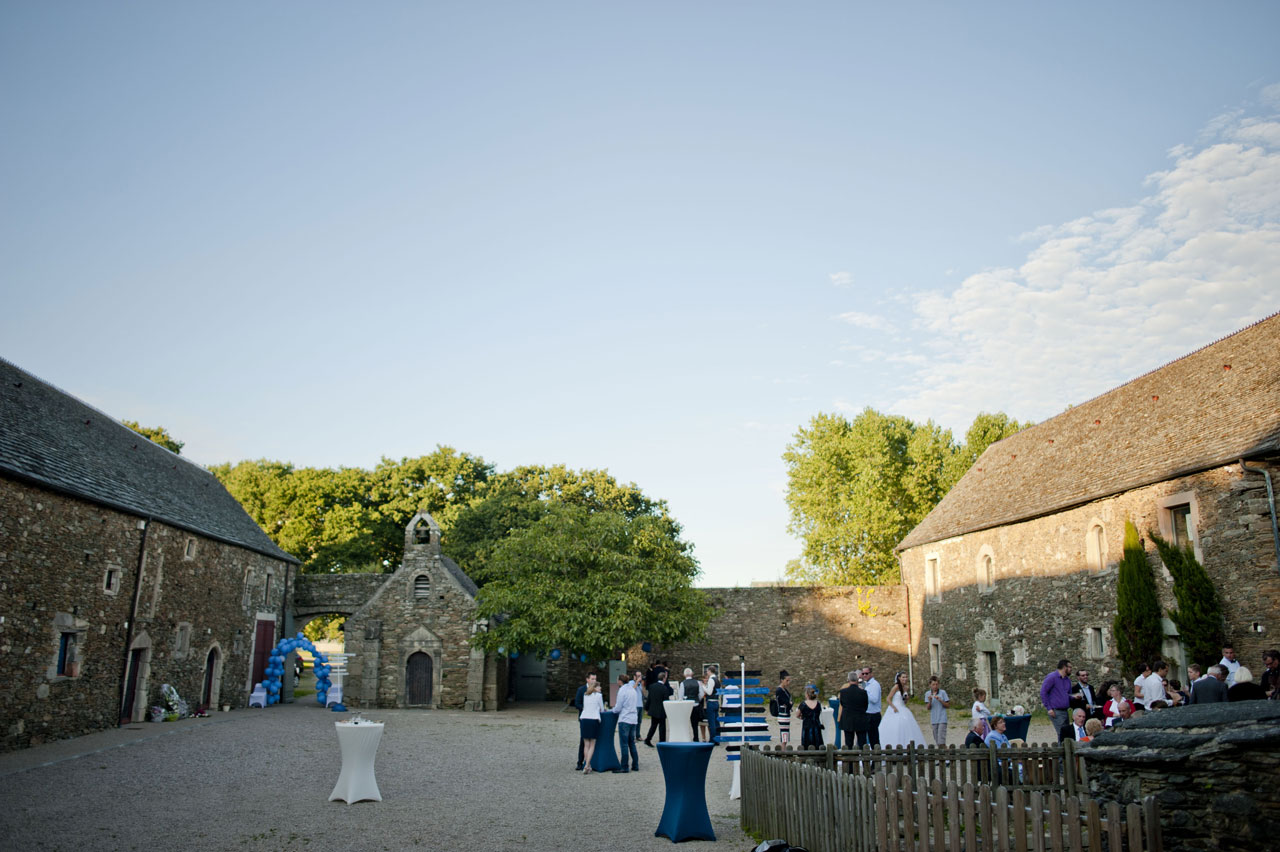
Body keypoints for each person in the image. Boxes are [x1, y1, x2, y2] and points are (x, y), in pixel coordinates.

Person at [879, 671, 927, 747]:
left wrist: (906, 699)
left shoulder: (906, 687)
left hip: (903, 708)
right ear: (899, 678)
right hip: (895, 708)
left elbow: (904, 702)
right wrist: (894, 707)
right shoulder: (896, 687)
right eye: (903, 677)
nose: (905, 679)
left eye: (906, 677)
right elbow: (888, 698)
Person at [1040, 658, 1073, 743]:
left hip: (1065, 710)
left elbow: (1068, 694)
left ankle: (1065, 754)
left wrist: (1075, 697)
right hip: (1056, 711)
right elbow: (1043, 692)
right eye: (1069, 667)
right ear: (1064, 667)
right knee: (1062, 734)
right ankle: (1061, 755)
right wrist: (1049, 708)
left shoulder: (1067, 680)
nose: (1071, 670)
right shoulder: (1052, 677)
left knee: (1066, 734)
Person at [613, 673, 640, 773]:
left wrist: (613, 710)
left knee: (624, 744)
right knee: (631, 743)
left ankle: (624, 766)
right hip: (633, 719)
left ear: (620, 681)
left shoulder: (622, 690)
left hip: (625, 719)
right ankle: (635, 764)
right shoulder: (632, 690)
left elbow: (618, 706)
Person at [838, 670, 871, 748]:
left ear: (848, 680)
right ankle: (863, 759)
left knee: (848, 743)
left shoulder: (843, 692)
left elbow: (842, 704)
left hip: (848, 719)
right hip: (860, 719)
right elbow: (865, 706)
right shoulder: (863, 692)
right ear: (857, 680)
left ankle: (849, 759)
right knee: (862, 743)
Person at [573, 672, 597, 771]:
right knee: (584, 740)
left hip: (594, 718)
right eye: (592, 679)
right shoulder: (581, 690)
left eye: (595, 679)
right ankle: (580, 762)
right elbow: (577, 703)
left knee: (592, 741)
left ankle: (590, 762)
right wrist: (585, 708)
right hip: (585, 717)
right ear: (587, 679)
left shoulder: (597, 690)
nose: (594, 681)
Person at [579, 680, 604, 774]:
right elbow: (601, 708)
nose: (600, 688)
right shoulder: (599, 696)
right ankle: (587, 765)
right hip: (593, 719)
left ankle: (587, 764)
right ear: (595, 688)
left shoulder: (585, 695)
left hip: (584, 719)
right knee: (592, 744)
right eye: (599, 687)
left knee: (586, 744)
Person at [643, 669, 672, 746]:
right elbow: (666, 701)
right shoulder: (664, 688)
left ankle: (648, 739)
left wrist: (646, 708)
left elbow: (649, 698)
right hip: (661, 710)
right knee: (662, 727)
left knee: (653, 726)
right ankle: (662, 742)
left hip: (653, 710)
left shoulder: (652, 687)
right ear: (663, 679)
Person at [924, 675, 950, 746]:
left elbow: (948, 705)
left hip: (942, 718)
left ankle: (942, 753)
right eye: (933, 684)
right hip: (934, 719)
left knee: (941, 739)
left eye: (936, 684)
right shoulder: (927, 694)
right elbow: (928, 708)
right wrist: (930, 701)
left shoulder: (943, 692)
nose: (935, 686)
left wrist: (941, 700)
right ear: (930, 685)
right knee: (936, 739)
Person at [680, 667, 703, 741]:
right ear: (692, 674)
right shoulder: (698, 683)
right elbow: (701, 694)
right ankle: (696, 737)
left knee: (685, 722)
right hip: (695, 703)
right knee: (695, 723)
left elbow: (681, 696)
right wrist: (697, 699)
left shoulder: (683, 683)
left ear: (684, 675)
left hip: (686, 705)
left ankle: (685, 736)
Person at [861, 667, 882, 747]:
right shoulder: (867, 684)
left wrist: (864, 692)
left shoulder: (874, 684)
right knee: (869, 737)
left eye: (866, 673)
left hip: (873, 714)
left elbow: (874, 699)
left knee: (874, 738)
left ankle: (876, 756)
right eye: (863, 673)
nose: (864, 675)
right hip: (868, 713)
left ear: (871, 674)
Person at [774, 671, 794, 746]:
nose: (788, 682)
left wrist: (789, 704)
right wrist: (789, 704)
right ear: (782, 680)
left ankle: (784, 750)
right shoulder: (779, 690)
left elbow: (788, 702)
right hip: (783, 714)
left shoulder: (784, 690)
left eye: (789, 680)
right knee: (784, 734)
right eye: (787, 680)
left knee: (785, 734)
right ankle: (783, 751)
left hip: (786, 713)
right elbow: (785, 702)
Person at [697, 667, 716, 744]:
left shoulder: (709, 685)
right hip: (702, 705)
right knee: (702, 723)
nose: (705, 680)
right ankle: (703, 737)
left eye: (706, 679)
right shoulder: (701, 687)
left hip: (708, 705)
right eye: (704, 679)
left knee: (709, 723)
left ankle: (710, 736)